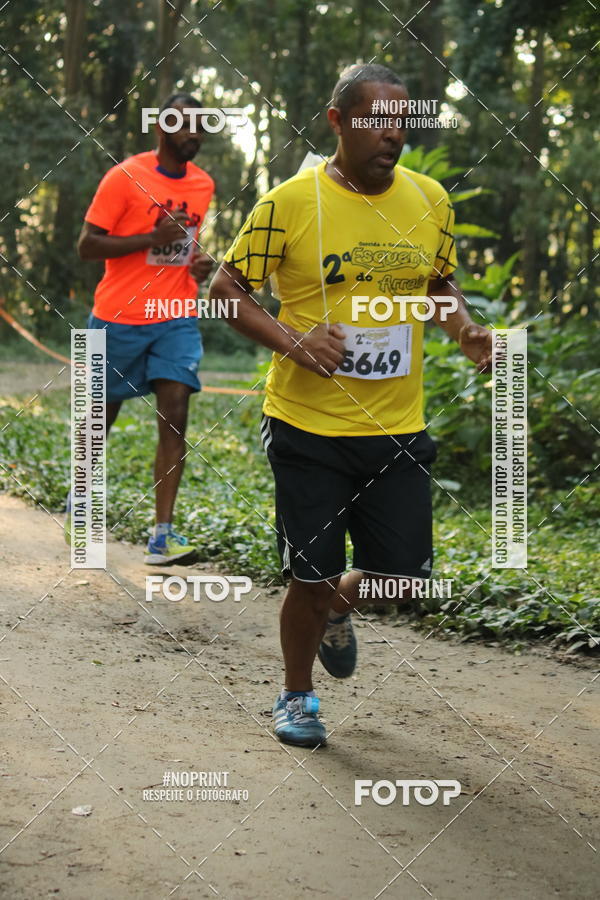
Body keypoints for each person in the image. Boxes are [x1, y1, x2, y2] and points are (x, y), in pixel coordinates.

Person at [209, 64, 493, 747]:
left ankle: (338, 606)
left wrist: (464, 329)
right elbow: (224, 290)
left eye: (400, 123)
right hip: (308, 425)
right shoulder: (288, 203)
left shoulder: (429, 200)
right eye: (375, 121)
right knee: (309, 574)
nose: (391, 135)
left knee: (401, 579)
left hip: (398, 427)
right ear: (337, 122)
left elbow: (438, 284)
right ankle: (297, 695)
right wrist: (294, 341)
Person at [67, 92, 215, 564]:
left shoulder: (204, 185)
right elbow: (87, 246)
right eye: (184, 125)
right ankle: (82, 493)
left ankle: (162, 535)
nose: (194, 133)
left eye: (200, 125)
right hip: (118, 316)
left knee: (176, 411)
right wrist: (152, 237)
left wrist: (197, 263)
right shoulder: (125, 176)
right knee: (99, 419)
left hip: (176, 315)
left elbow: (182, 248)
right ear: (162, 128)